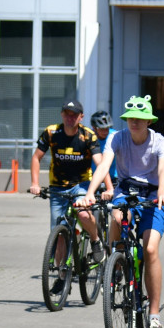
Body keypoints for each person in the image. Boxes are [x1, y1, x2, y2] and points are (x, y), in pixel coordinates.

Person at [81, 95, 164, 328]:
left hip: (153, 197)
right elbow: (104, 165)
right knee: (115, 216)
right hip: (125, 192)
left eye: (140, 118)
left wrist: (162, 193)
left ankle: (154, 316)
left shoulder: (161, 142)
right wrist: (91, 193)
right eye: (131, 118)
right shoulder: (117, 137)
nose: (135, 122)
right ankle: (116, 263)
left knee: (150, 249)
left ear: (149, 121)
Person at [29, 100, 105, 288]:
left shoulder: (87, 135)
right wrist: (35, 184)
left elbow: (100, 162)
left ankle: (95, 241)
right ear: (62, 114)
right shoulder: (51, 132)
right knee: (59, 233)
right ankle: (63, 277)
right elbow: (36, 157)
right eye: (66, 114)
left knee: (83, 213)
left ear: (81, 117)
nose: (70, 118)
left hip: (81, 185)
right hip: (57, 188)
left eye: (74, 114)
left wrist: (106, 188)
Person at [90, 110, 118, 192]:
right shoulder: (88, 137)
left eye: (107, 128)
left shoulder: (115, 136)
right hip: (94, 178)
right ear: (94, 127)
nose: (105, 131)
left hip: (114, 178)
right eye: (102, 129)